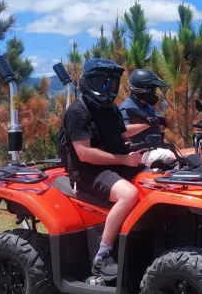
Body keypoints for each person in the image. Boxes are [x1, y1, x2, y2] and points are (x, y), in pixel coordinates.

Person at [59, 58, 148, 281]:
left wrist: (145, 131)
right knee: (129, 194)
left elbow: (120, 134)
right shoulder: (78, 111)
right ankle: (103, 255)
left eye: (112, 84)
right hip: (87, 172)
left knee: (154, 180)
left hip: (112, 165)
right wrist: (124, 160)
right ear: (89, 83)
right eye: (102, 83)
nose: (108, 89)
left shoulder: (110, 108)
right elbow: (84, 153)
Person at [119, 69, 177, 169]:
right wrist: (149, 123)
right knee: (172, 157)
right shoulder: (127, 108)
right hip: (140, 153)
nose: (154, 93)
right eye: (152, 90)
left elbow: (152, 126)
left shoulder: (147, 106)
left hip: (155, 148)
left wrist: (159, 124)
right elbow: (123, 131)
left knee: (185, 156)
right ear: (143, 90)